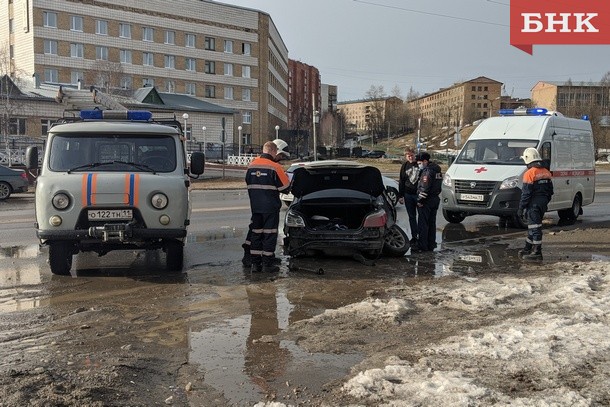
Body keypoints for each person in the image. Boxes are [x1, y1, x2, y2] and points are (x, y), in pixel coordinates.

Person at [244, 140, 290, 272]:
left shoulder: (251, 166)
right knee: (269, 235)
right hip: (270, 208)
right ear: (273, 151)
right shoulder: (275, 167)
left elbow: (248, 182)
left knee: (256, 234)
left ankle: (255, 264)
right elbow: (286, 187)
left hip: (256, 207)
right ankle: (267, 264)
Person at [517, 147, 553, 261]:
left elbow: (526, 193)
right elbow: (550, 191)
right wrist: (544, 202)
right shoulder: (546, 172)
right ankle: (528, 248)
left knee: (535, 228)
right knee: (533, 227)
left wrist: (521, 207)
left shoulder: (529, 173)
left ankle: (537, 252)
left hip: (533, 205)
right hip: (542, 203)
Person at [412, 152, 443, 253]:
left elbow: (424, 188)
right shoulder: (437, 170)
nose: (418, 165)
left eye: (420, 162)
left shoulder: (428, 172)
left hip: (427, 201)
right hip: (435, 199)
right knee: (431, 223)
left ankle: (423, 246)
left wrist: (420, 200)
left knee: (423, 224)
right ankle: (431, 244)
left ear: (425, 161)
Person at [398, 147, 420, 247]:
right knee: (412, 217)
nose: (410, 157)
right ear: (406, 156)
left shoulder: (419, 164)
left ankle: (422, 236)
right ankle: (414, 237)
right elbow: (401, 181)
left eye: (412, 155)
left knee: (422, 216)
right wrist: (400, 195)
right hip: (408, 194)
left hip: (419, 195)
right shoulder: (405, 166)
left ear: (414, 155)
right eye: (408, 156)